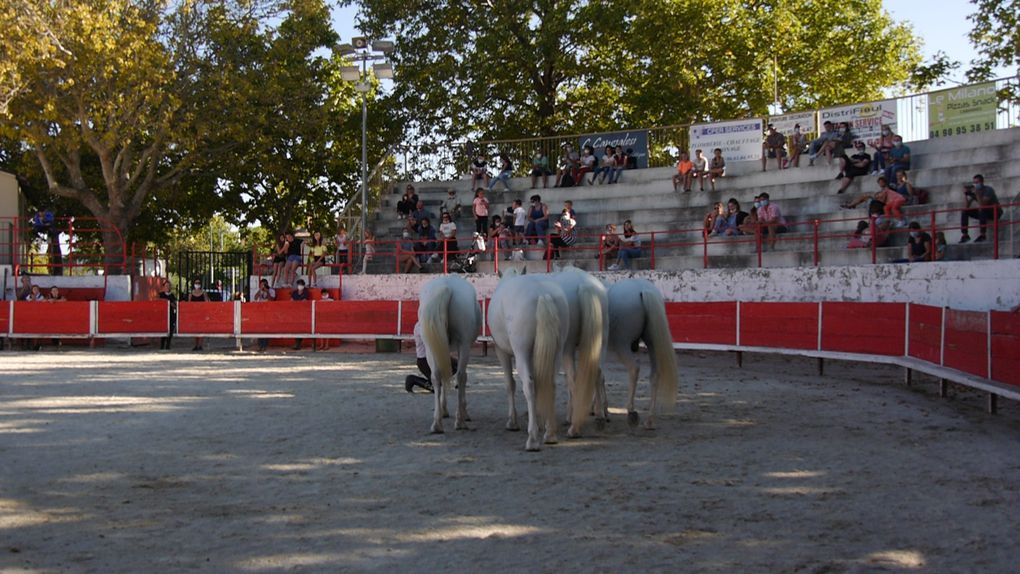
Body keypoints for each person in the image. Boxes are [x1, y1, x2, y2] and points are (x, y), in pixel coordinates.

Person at [405, 321, 461, 393]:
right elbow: (430, 344)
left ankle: (440, 381)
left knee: (457, 365)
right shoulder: (421, 326)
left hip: (437, 358)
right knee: (436, 388)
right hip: (425, 361)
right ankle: (413, 379)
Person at [841, 177, 906, 228]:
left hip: (885, 203)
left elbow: (883, 200)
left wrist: (876, 197)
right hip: (883, 203)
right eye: (879, 182)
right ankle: (852, 205)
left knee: (868, 198)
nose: (880, 184)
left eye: (881, 182)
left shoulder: (887, 188)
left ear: (885, 182)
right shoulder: (882, 190)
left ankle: (852, 205)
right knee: (865, 196)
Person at [959, 174, 1002, 243]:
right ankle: (965, 235)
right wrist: (966, 195)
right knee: (964, 211)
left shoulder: (988, 190)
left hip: (995, 212)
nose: (976, 184)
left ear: (982, 182)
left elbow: (983, 205)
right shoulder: (974, 191)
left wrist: (977, 194)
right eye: (974, 183)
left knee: (982, 209)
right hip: (984, 212)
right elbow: (966, 206)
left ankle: (982, 235)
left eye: (977, 182)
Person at [252, 278, 275, 352]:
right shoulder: (260, 291)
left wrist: (267, 291)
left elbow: (272, 299)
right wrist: (260, 291)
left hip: (268, 311)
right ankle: (260, 345)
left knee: (266, 329)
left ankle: (264, 345)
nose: (262, 286)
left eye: (264, 284)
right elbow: (255, 298)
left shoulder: (271, 290)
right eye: (261, 285)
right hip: (261, 311)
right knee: (259, 328)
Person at [186, 279, 210, 351]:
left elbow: (206, 302)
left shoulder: (203, 293)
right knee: (195, 329)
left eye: (198, 283)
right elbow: (189, 303)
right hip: (194, 313)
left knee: (201, 329)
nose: (197, 284)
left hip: (202, 313)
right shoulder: (191, 293)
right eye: (196, 283)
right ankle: (196, 345)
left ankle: (200, 345)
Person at [157, 278, 177, 350]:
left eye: (168, 286)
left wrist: (171, 304)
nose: (167, 287)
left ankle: (168, 345)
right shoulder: (161, 294)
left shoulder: (172, 295)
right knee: (163, 329)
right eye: (166, 286)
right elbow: (157, 303)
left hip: (171, 314)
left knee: (170, 330)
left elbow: (175, 306)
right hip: (163, 315)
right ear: (163, 287)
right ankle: (162, 345)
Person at [290, 279, 310, 350]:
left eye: (301, 284)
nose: (299, 286)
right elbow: (291, 301)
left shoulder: (306, 292)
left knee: (300, 328)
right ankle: (297, 343)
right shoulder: (295, 292)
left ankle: (298, 344)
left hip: (302, 313)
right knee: (295, 328)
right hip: (295, 312)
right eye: (298, 284)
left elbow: (304, 301)